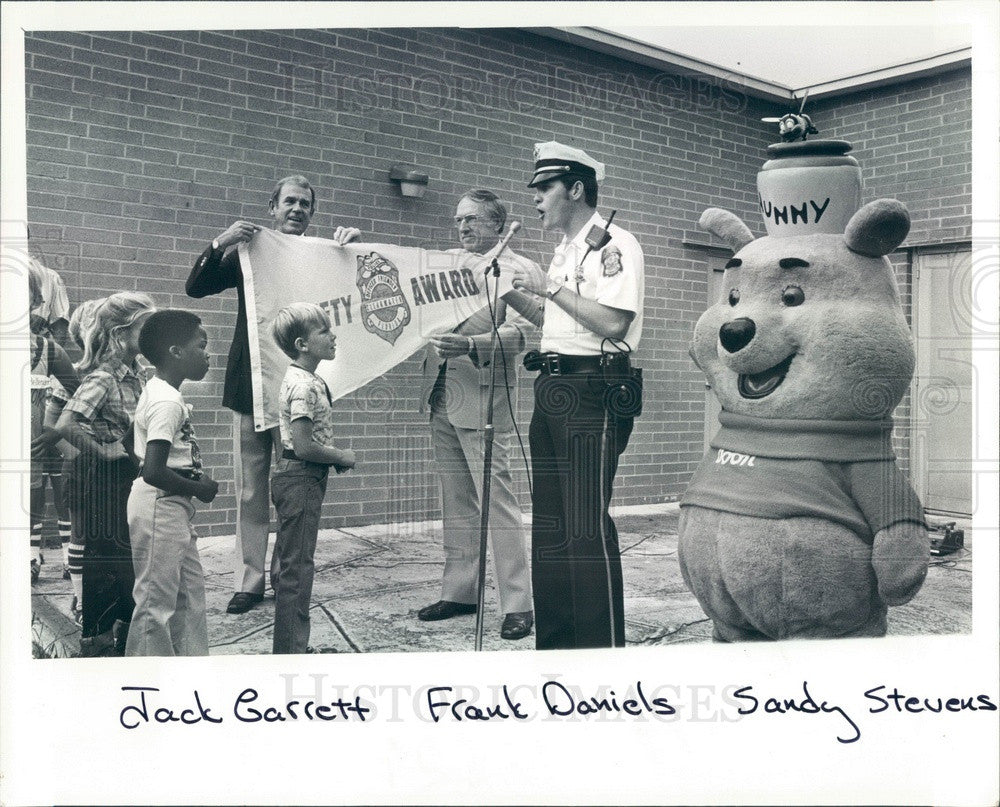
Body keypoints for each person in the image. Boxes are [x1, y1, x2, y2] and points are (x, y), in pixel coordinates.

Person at [185, 176, 361, 615]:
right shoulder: (250, 252)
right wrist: (220, 242)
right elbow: (196, 287)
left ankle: (287, 573)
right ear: (272, 208)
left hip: (298, 390)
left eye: (306, 204)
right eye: (289, 202)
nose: (297, 209)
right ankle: (250, 579)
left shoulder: (325, 255)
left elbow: (360, 291)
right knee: (250, 488)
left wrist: (353, 250)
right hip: (250, 385)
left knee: (294, 485)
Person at [507, 141, 645, 650]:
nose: (537, 199)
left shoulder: (613, 245)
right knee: (551, 520)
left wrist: (547, 287)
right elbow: (556, 322)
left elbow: (611, 321)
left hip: (595, 387)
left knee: (584, 521)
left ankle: (601, 653)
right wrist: (511, 291)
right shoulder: (565, 251)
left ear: (577, 189)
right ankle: (560, 648)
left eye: (546, 188)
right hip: (555, 383)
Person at [417, 189, 536, 640]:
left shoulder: (518, 269)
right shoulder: (447, 264)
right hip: (441, 390)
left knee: (497, 500)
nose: (462, 228)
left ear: (497, 223)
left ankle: (517, 603)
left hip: (485, 393)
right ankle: (460, 591)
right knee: (456, 499)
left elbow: (524, 334)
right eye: (458, 220)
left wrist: (472, 344)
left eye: (472, 220)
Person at [57, 292, 157, 656]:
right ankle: (96, 643)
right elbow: (68, 423)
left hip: (128, 479)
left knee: (128, 559)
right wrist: (104, 449)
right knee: (105, 563)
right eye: (146, 329)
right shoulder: (104, 377)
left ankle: (126, 637)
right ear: (119, 334)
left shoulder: (139, 374)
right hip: (104, 480)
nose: (154, 336)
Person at [125, 310, 218, 656]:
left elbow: (130, 443)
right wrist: (199, 486)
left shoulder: (159, 391)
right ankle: (146, 684)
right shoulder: (165, 401)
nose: (208, 354)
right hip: (159, 504)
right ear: (176, 352)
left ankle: (193, 671)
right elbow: (152, 471)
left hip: (172, 505)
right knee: (154, 602)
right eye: (201, 345)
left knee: (190, 594)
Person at [269, 303, 356, 654]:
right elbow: (303, 446)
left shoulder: (308, 379)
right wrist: (340, 456)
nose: (333, 336)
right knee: (297, 569)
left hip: (299, 477)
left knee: (290, 564)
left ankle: (291, 648)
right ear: (303, 344)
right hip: (301, 478)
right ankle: (290, 653)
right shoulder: (304, 386)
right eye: (324, 331)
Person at [27, 263, 79, 584]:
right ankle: (30, 556)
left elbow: (79, 393)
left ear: (35, 300)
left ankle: (69, 557)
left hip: (50, 436)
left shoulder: (48, 349)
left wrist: (58, 427)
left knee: (63, 493)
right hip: (19, 442)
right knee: (29, 497)